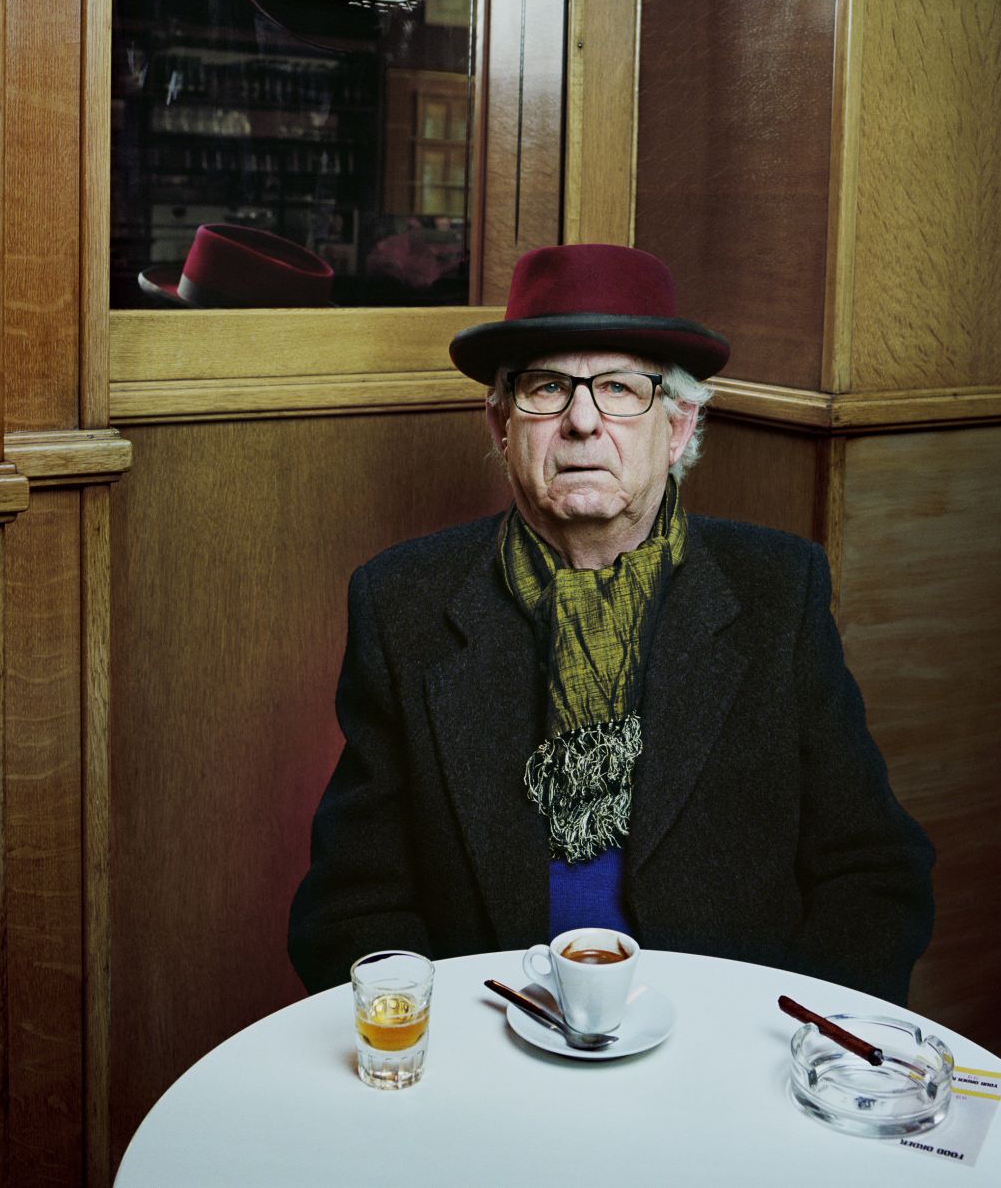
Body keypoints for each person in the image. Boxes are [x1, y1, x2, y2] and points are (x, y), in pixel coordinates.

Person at [289, 244, 934, 1003]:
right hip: (495, 1044)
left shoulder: (777, 591)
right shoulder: (402, 603)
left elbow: (872, 872)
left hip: (722, 1048)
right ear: (500, 422)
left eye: (622, 389)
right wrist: (452, 1055)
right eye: (546, 388)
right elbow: (353, 901)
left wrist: (780, 1044)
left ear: (680, 423)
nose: (584, 422)